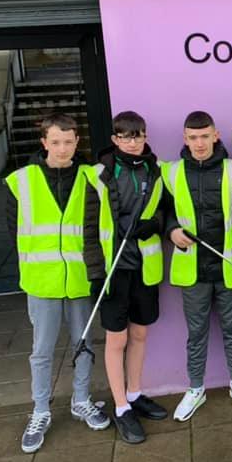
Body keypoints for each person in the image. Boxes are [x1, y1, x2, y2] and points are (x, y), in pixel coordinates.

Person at [7, 113, 110, 453]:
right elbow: (15, 231)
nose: (62, 148)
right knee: (42, 351)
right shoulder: (21, 181)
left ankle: (81, 401)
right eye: (55, 142)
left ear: (77, 142)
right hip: (42, 280)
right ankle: (40, 411)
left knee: (84, 345)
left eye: (68, 142)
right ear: (44, 142)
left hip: (80, 277)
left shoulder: (92, 177)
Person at [164, 111, 232, 422]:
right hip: (192, 271)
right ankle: (195, 389)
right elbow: (162, 213)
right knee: (197, 332)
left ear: (216, 135)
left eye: (205, 136)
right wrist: (171, 231)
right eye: (193, 137)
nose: (200, 143)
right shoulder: (172, 172)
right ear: (185, 139)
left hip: (228, 266)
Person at [84, 111, 168, 444]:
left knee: (140, 334)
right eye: (125, 136)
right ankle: (121, 408)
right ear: (115, 139)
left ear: (145, 137)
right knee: (116, 341)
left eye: (138, 135)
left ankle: (135, 394)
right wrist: (96, 275)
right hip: (113, 270)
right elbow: (89, 229)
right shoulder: (100, 174)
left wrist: (156, 225)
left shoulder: (155, 171)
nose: (132, 142)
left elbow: (163, 209)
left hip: (144, 268)